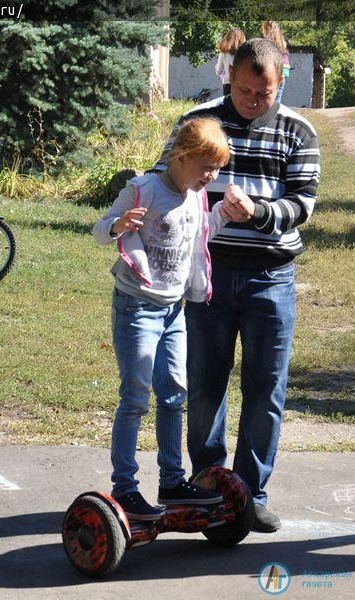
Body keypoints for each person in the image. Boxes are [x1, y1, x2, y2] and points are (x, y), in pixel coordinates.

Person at [152, 39, 320, 532]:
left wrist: (260, 213)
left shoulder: (298, 130)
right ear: (230, 78)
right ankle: (209, 488)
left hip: (272, 276)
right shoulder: (199, 120)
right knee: (205, 384)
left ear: (279, 83)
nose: (253, 100)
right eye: (245, 90)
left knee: (266, 388)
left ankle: (251, 492)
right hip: (208, 273)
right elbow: (167, 178)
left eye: (263, 93)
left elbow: (304, 201)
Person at [92, 118, 255, 521]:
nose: (212, 176)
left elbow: (199, 231)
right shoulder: (144, 190)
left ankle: (171, 479)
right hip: (137, 309)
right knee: (135, 398)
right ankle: (125, 489)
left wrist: (223, 214)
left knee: (174, 395)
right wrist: (118, 225)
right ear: (181, 157)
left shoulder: (196, 197)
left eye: (217, 169)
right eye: (206, 167)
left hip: (173, 311)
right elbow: (99, 230)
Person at [262, 20, 290, 102]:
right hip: (281, 77)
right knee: (276, 104)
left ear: (267, 30)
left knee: (267, 104)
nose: (263, 33)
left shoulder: (266, 44)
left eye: (263, 30)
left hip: (271, 77)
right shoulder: (282, 43)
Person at [215, 28, 246, 96]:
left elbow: (219, 72)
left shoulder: (223, 53)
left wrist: (216, 67)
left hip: (227, 84)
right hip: (241, 83)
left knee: (228, 105)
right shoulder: (244, 53)